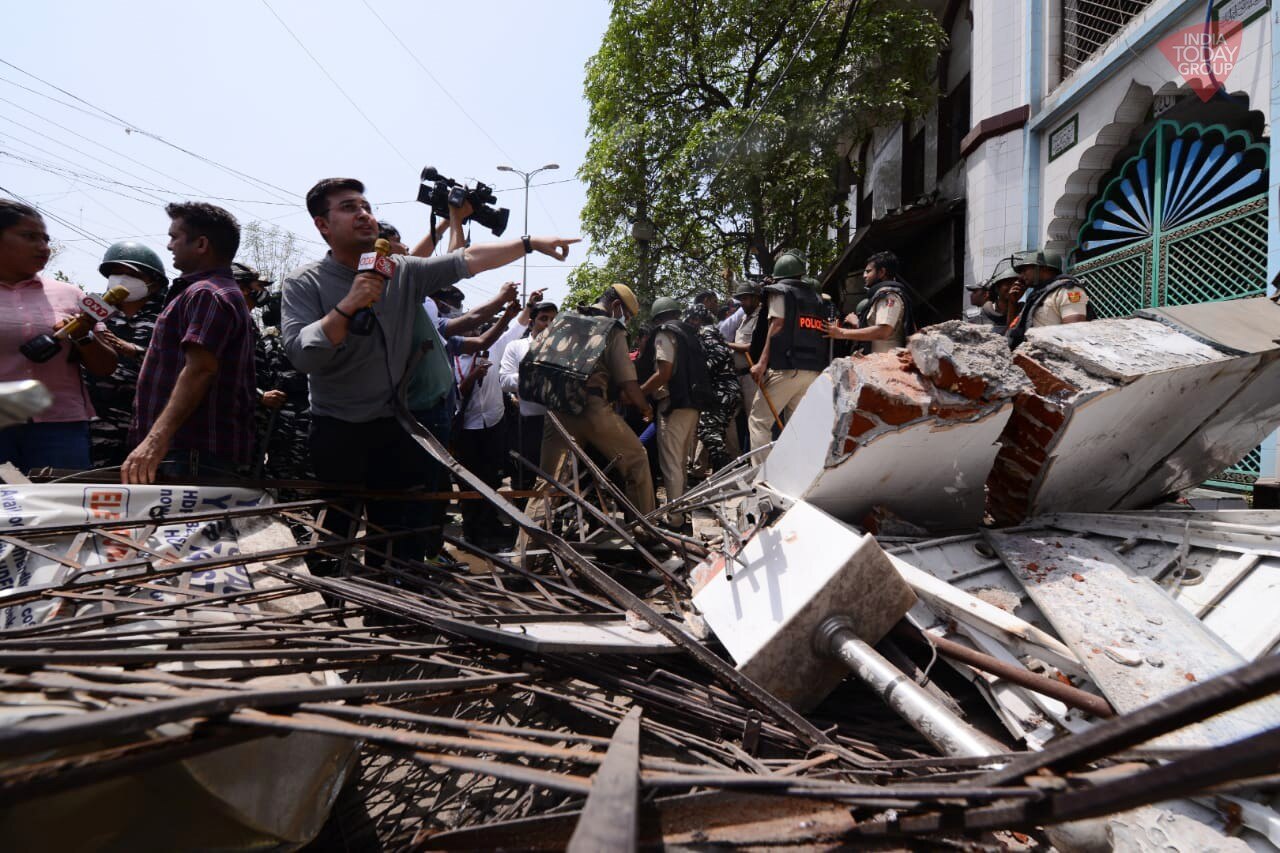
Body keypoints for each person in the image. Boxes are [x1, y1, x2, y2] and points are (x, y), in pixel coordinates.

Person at [281, 176, 578, 571]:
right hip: (338, 429)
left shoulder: (401, 271)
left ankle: (387, 597)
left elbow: (467, 260)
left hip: (395, 425)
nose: (364, 215)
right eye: (349, 208)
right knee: (336, 529)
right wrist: (350, 304)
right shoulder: (305, 283)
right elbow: (302, 355)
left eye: (366, 207)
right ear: (322, 224)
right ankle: (331, 597)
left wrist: (530, 243)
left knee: (392, 533)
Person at [125, 202, 254, 484]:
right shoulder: (203, 292)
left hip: (190, 453)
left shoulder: (208, 294)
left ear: (201, 244)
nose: (169, 245)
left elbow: (200, 370)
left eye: (175, 237)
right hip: (181, 452)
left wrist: (154, 441)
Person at [0, 200, 118, 470]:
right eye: (29, 237)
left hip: (60, 429)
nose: (43, 247)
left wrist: (83, 336)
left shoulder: (71, 294)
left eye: (45, 239)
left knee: (60, 497)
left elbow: (106, 367)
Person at [530, 284, 655, 515]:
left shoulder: (566, 320)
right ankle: (644, 526)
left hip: (557, 408)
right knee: (637, 460)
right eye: (627, 315)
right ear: (616, 306)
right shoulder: (612, 328)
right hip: (592, 408)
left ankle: (529, 536)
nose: (626, 321)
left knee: (549, 480)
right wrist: (645, 408)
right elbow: (628, 382)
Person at [84, 241, 169, 469]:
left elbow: (176, 362)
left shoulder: (169, 315)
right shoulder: (93, 311)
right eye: (115, 273)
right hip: (96, 418)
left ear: (154, 282)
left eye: (131, 274)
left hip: (148, 423)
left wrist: (134, 351)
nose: (121, 279)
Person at [452, 292, 526, 550]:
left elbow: (516, 329)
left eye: (476, 329)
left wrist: (527, 307)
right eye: (468, 330)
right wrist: (473, 376)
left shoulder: (491, 348)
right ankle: (472, 532)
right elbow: (456, 394)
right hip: (468, 428)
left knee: (493, 477)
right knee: (470, 481)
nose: (474, 333)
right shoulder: (451, 358)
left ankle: (490, 525)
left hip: (494, 423)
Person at [638, 296, 711, 529]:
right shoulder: (690, 333)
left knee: (670, 464)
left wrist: (639, 392)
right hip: (692, 404)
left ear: (657, 319)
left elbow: (664, 371)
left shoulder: (665, 333)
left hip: (672, 404)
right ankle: (680, 510)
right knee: (679, 463)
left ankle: (675, 518)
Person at [746, 251, 829, 452]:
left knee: (759, 421)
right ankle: (797, 469)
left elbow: (777, 325)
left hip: (785, 368)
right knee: (797, 426)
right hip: (812, 370)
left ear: (778, 276)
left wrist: (761, 363)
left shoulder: (780, 291)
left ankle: (762, 470)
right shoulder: (816, 298)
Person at [499, 294, 558, 491]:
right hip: (528, 423)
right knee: (526, 477)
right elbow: (504, 381)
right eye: (543, 319)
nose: (548, 324)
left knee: (555, 478)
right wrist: (531, 375)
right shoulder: (516, 346)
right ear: (531, 322)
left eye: (553, 319)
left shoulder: (564, 350)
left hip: (558, 423)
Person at [822, 251, 915, 354]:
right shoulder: (880, 296)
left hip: (886, 361)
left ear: (882, 272)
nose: (864, 275)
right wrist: (858, 324)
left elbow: (883, 331)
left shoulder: (889, 295)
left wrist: (841, 332)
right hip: (876, 361)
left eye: (868, 271)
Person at [685, 303, 740, 472]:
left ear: (697, 319)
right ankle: (722, 470)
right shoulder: (710, 331)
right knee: (715, 432)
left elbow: (719, 354)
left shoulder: (706, 331)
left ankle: (725, 468)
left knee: (707, 430)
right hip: (725, 389)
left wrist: (699, 372)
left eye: (691, 320)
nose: (689, 324)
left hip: (723, 389)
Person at [1006, 249, 1091, 348]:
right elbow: (1013, 332)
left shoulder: (1068, 290)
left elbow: (1074, 333)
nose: (1021, 276)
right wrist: (1012, 302)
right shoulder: (1036, 296)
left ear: (1042, 268)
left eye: (1024, 270)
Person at [723, 280, 761, 451]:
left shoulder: (761, 318)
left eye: (745, 299)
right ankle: (736, 458)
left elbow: (751, 347)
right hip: (737, 377)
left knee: (756, 421)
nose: (742, 303)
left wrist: (726, 344)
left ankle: (758, 460)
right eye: (741, 299)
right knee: (728, 417)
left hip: (752, 377)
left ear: (755, 298)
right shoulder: (744, 318)